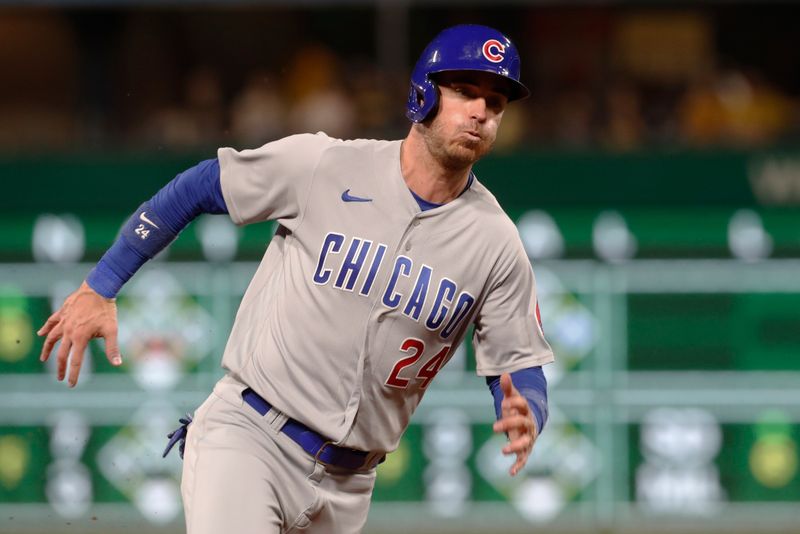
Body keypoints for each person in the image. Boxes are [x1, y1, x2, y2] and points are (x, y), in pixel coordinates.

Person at [38, 24, 554, 534]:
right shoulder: (325, 165)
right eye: (465, 91)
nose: (481, 111)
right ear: (422, 94)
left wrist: (526, 408)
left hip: (350, 486)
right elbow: (198, 187)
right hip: (251, 439)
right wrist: (100, 285)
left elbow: (519, 364)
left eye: (496, 101)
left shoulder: (496, 242)